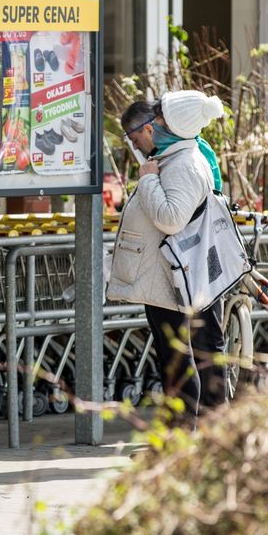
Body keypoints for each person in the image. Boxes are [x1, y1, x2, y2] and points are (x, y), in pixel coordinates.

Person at [107, 90, 226, 421]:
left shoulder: (184, 165)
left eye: (158, 119)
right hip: (171, 275)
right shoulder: (173, 159)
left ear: (173, 125)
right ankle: (193, 432)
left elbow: (171, 218)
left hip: (177, 276)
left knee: (180, 356)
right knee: (177, 355)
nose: (152, 125)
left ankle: (187, 432)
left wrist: (147, 182)